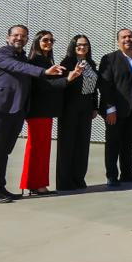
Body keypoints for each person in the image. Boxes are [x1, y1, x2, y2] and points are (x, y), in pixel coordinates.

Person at [0, 26, 65, 203]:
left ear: (27, 40)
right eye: (16, 35)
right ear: (8, 37)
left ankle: (0, 187)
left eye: (23, 36)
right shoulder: (1, 54)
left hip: (16, 110)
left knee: (4, 151)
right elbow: (18, 67)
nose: (19, 38)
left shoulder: (22, 57)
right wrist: (43, 72)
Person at [21, 30, 76, 195]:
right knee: (37, 148)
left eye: (52, 40)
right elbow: (43, 86)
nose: (49, 43)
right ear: (37, 41)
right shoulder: (36, 61)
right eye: (45, 40)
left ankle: (37, 184)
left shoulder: (46, 60)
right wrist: (67, 79)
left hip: (46, 111)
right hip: (38, 111)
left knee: (42, 149)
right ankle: (34, 184)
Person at [98, 29, 132, 187]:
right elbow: (105, 85)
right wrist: (110, 108)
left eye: (130, 36)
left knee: (128, 142)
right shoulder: (110, 59)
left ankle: (127, 172)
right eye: (124, 37)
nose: (128, 39)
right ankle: (112, 175)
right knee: (113, 142)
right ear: (118, 40)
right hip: (116, 110)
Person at [57, 35, 98, 191]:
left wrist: (95, 106)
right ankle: (65, 181)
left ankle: (78, 177)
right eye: (79, 45)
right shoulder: (67, 63)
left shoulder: (91, 64)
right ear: (73, 47)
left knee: (82, 144)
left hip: (86, 107)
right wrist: (72, 75)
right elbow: (62, 85)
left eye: (85, 45)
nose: (82, 47)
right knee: (67, 144)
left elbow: (95, 88)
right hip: (70, 107)